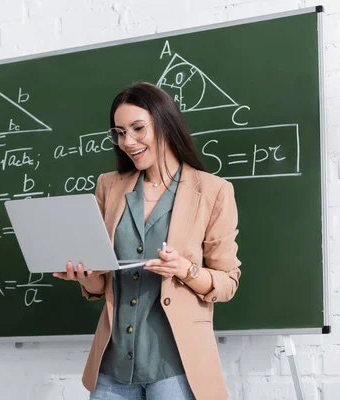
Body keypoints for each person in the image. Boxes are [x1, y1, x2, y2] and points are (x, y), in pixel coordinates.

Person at [53, 82, 241, 400]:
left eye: (138, 128)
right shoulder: (109, 187)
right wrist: (86, 277)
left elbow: (227, 283)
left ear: (165, 123)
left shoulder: (213, 191)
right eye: (120, 132)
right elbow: (103, 282)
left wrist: (185, 269)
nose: (128, 141)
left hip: (177, 368)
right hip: (112, 368)